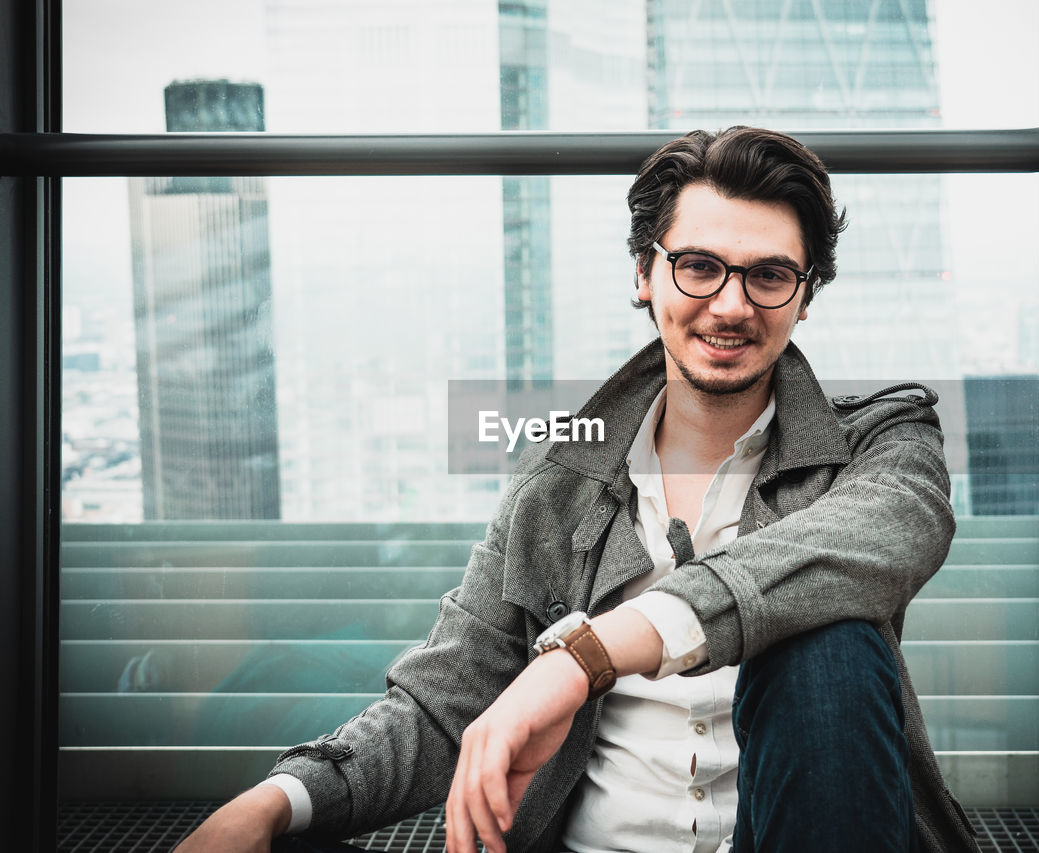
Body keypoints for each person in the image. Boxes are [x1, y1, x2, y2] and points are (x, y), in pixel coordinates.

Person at [175, 126, 979, 853]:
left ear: (804, 298)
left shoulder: (879, 441)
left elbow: (886, 532)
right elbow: (443, 704)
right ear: (644, 274)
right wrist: (275, 801)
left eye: (769, 275)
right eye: (698, 266)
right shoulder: (557, 482)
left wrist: (582, 657)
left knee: (827, 643)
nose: (730, 305)